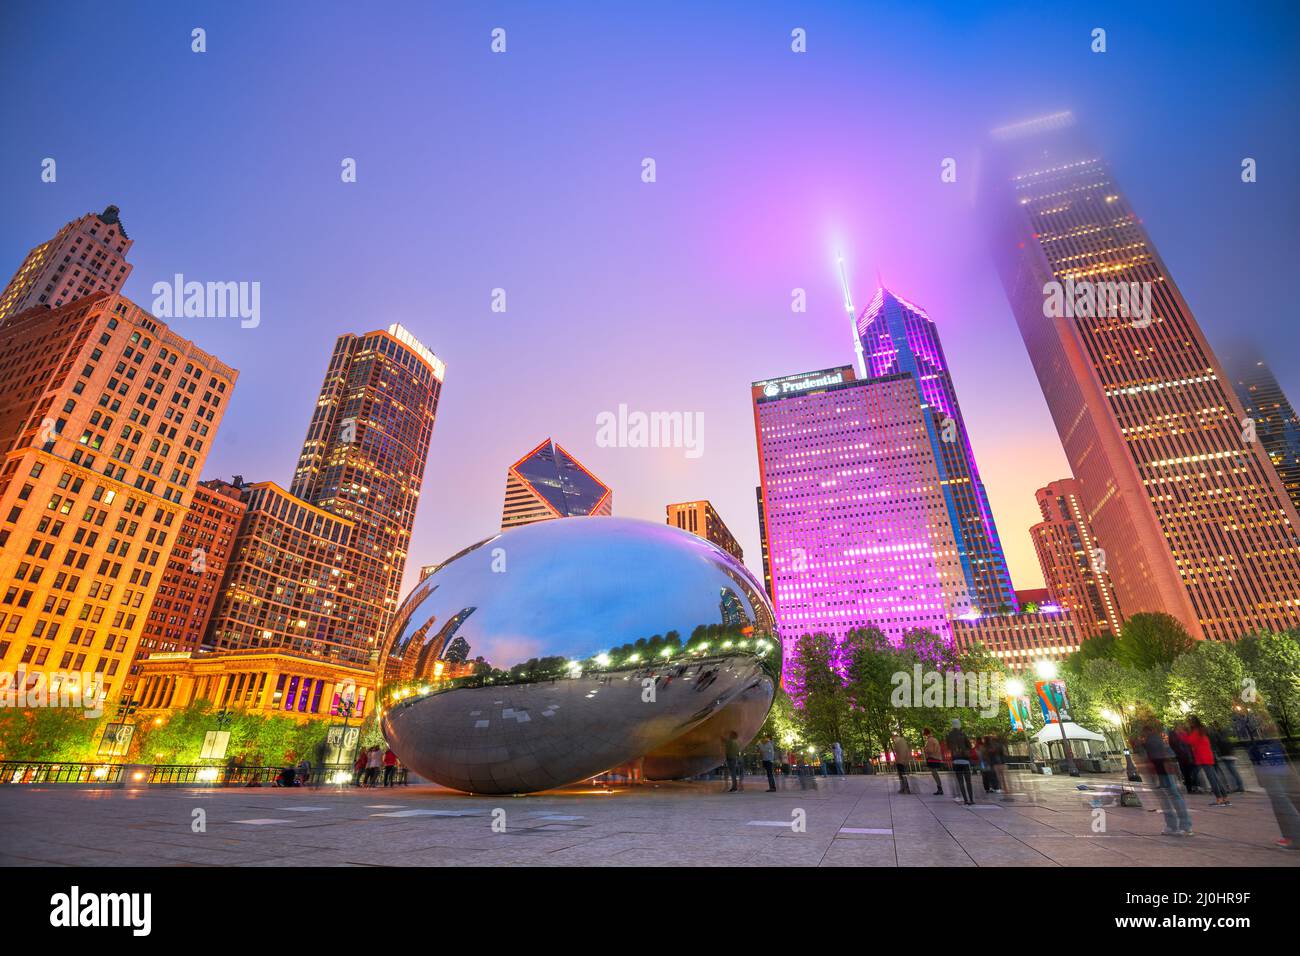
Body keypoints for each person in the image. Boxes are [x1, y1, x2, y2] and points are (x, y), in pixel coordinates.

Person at [1132, 711, 1193, 837]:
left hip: (1162, 764)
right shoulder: (1152, 731)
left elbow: (1161, 747)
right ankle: (1173, 825)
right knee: (1165, 796)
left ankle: (1184, 826)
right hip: (1157, 765)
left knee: (1172, 794)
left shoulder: (1156, 732)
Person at [1248, 731, 1300, 850]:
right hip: (1276, 760)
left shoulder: (1251, 723)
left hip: (1267, 762)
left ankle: (1296, 836)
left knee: (1280, 800)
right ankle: (1289, 835)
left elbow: (1255, 744)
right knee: (1282, 799)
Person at [1185, 715, 1230, 806]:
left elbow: (1189, 741)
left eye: (1188, 722)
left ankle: (1219, 799)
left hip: (1203, 757)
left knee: (1212, 779)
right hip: (1209, 755)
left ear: (1192, 723)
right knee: (1216, 778)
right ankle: (1225, 797)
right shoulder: (1203, 730)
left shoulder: (1196, 731)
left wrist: (1185, 733)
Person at [1208, 723, 1245, 793]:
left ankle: (1237, 787)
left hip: (1225, 754)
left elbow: (1218, 744)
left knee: (1231, 771)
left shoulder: (1217, 735)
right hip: (1229, 753)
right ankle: (1238, 786)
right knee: (1233, 771)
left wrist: (1218, 754)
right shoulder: (1223, 733)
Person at [946, 719, 975, 805]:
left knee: (960, 781)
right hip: (965, 760)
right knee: (968, 781)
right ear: (959, 725)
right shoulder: (963, 734)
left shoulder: (949, 735)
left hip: (956, 760)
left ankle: (965, 799)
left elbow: (948, 747)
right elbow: (969, 746)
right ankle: (971, 799)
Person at [922, 727, 944, 795]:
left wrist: (925, 750)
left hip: (933, 758)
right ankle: (939, 788)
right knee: (934, 773)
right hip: (936, 758)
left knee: (934, 773)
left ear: (925, 733)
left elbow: (930, 750)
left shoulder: (930, 740)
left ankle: (940, 788)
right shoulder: (934, 739)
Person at [891, 727, 912, 794]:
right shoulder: (901, 741)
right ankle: (903, 788)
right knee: (902, 775)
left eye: (892, 737)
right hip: (902, 760)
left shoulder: (899, 742)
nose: (892, 739)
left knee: (902, 775)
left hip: (901, 761)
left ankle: (906, 789)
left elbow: (901, 752)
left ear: (894, 736)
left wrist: (899, 760)